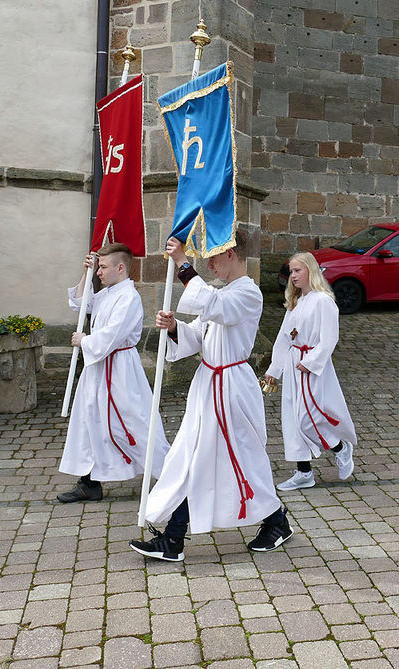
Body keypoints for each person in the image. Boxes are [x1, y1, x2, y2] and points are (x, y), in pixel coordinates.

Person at [130, 231, 293, 561]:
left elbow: (215, 308)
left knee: (222, 459)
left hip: (230, 389)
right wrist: (175, 327)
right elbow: (199, 335)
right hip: (210, 386)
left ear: (232, 254)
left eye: (214, 256)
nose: (209, 263)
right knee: (202, 459)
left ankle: (176, 539)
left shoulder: (247, 292)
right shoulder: (221, 291)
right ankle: (272, 521)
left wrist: (182, 264)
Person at [57, 244, 170, 503]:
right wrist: (86, 271)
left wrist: (84, 340)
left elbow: (112, 335)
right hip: (97, 370)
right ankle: (89, 482)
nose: (99, 272)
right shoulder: (107, 293)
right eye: (98, 267)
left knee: (134, 422)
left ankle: (170, 475)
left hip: (119, 370)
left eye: (103, 267)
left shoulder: (128, 297)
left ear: (121, 268)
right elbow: (79, 302)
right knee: (88, 421)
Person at [264, 252, 357, 491]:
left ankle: (340, 447)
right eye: (291, 272)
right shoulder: (296, 303)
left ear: (310, 271)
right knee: (292, 419)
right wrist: (275, 369)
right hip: (294, 362)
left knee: (308, 418)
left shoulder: (323, 301)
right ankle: (303, 471)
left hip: (310, 366)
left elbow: (329, 339)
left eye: (298, 271)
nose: (293, 276)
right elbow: (284, 338)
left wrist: (312, 361)